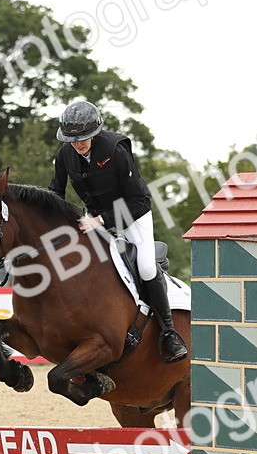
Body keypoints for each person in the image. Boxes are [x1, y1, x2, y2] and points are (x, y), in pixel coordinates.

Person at [48, 100, 188, 364]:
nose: (77, 144)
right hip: (94, 216)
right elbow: (55, 191)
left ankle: (169, 334)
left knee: (146, 267)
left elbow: (137, 200)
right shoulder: (65, 153)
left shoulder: (115, 150)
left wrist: (102, 220)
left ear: (95, 133)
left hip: (133, 214)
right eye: (72, 140)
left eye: (82, 138)